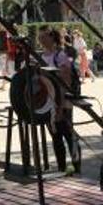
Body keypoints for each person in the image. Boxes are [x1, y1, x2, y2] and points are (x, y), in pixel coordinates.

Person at [38, 28, 80, 175]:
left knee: (69, 135)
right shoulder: (40, 57)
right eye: (39, 37)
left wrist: (60, 106)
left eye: (43, 36)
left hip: (63, 102)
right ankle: (62, 168)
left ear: (52, 38)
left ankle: (77, 166)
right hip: (48, 104)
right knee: (56, 136)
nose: (40, 39)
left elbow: (66, 83)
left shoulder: (60, 56)